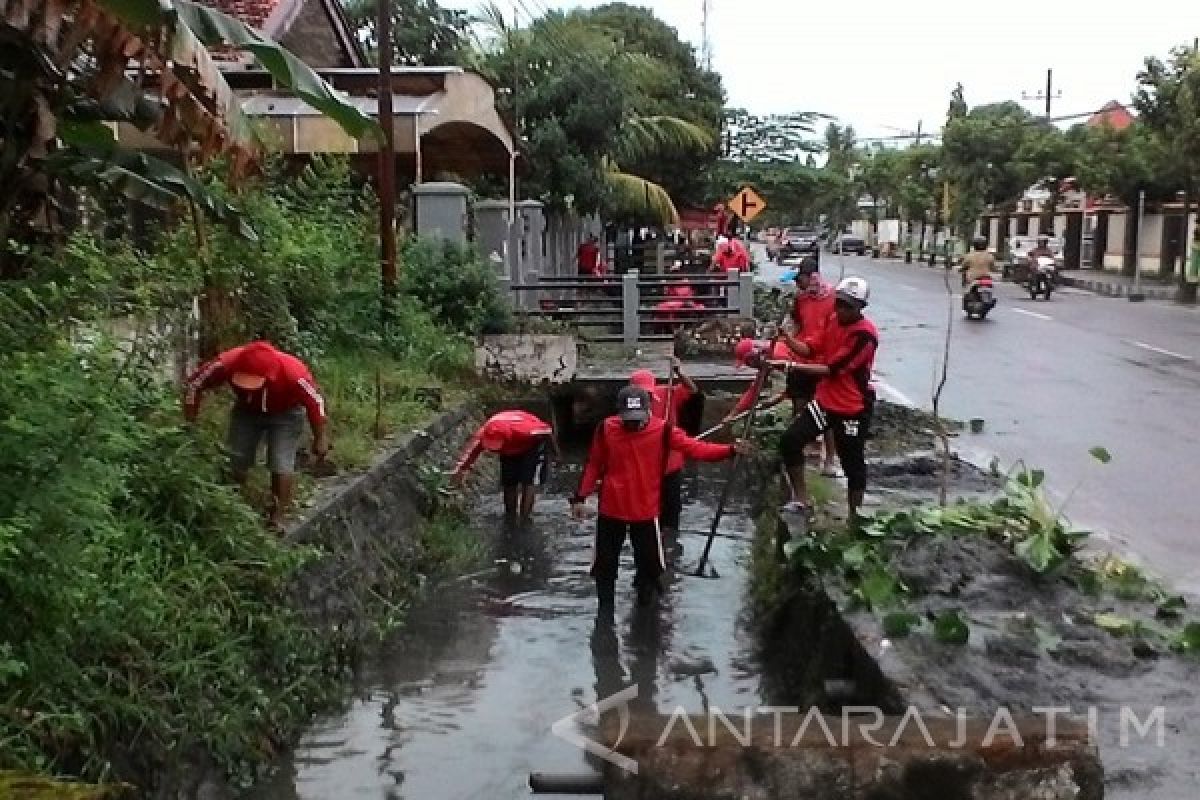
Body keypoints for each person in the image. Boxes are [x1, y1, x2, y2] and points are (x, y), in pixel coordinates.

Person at [571, 387, 744, 609]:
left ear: (649, 412)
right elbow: (594, 464)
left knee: (650, 567)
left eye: (638, 420)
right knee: (604, 567)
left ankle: (645, 612)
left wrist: (729, 451)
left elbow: (696, 449)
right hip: (611, 509)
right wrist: (580, 497)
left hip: (645, 511)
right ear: (618, 413)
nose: (633, 425)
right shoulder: (606, 429)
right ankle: (605, 612)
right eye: (628, 420)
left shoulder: (663, 431)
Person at [184, 339, 329, 531]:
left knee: (280, 462)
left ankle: (277, 517)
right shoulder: (226, 363)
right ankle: (230, 508)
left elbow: (315, 402)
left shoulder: (293, 373)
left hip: (286, 413)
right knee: (236, 458)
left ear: (270, 375)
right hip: (246, 411)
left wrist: (320, 438)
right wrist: (190, 423)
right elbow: (194, 384)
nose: (248, 388)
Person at [776, 276, 879, 521]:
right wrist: (788, 341)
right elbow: (812, 348)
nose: (841, 310)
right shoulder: (833, 321)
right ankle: (801, 499)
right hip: (826, 401)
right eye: (839, 303)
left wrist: (790, 366)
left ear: (860, 308)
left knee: (852, 461)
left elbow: (832, 368)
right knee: (790, 440)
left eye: (848, 306)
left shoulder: (865, 336)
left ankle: (855, 516)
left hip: (852, 406)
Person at [629, 360, 701, 543]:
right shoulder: (629, 405)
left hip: (670, 461)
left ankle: (670, 539)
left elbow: (692, 390)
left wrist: (679, 372)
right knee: (648, 506)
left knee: (672, 506)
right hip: (646, 464)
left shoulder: (667, 394)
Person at [452, 410, 558, 521]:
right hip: (508, 450)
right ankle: (510, 516)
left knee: (529, 482)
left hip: (531, 447)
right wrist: (461, 469)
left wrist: (556, 454)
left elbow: (547, 431)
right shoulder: (484, 433)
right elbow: (472, 451)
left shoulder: (526, 430)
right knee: (509, 482)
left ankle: (525, 518)